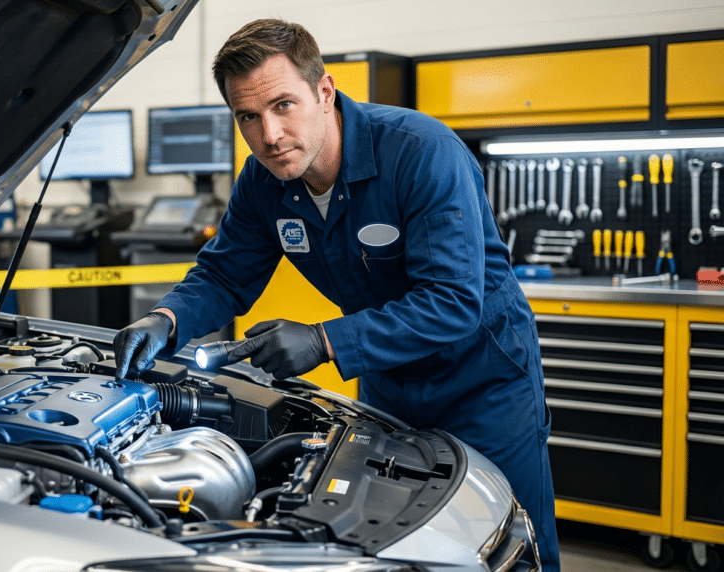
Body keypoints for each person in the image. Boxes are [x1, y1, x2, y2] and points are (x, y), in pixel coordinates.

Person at [114, 18, 559, 571]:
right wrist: (165, 319)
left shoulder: (421, 153)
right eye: (247, 117)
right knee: (402, 547)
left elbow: (452, 300)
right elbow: (225, 275)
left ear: (324, 92)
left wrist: (323, 341)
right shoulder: (263, 182)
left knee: (511, 547)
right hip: (389, 380)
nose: (269, 135)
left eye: (283, 105)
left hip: (484, 384)